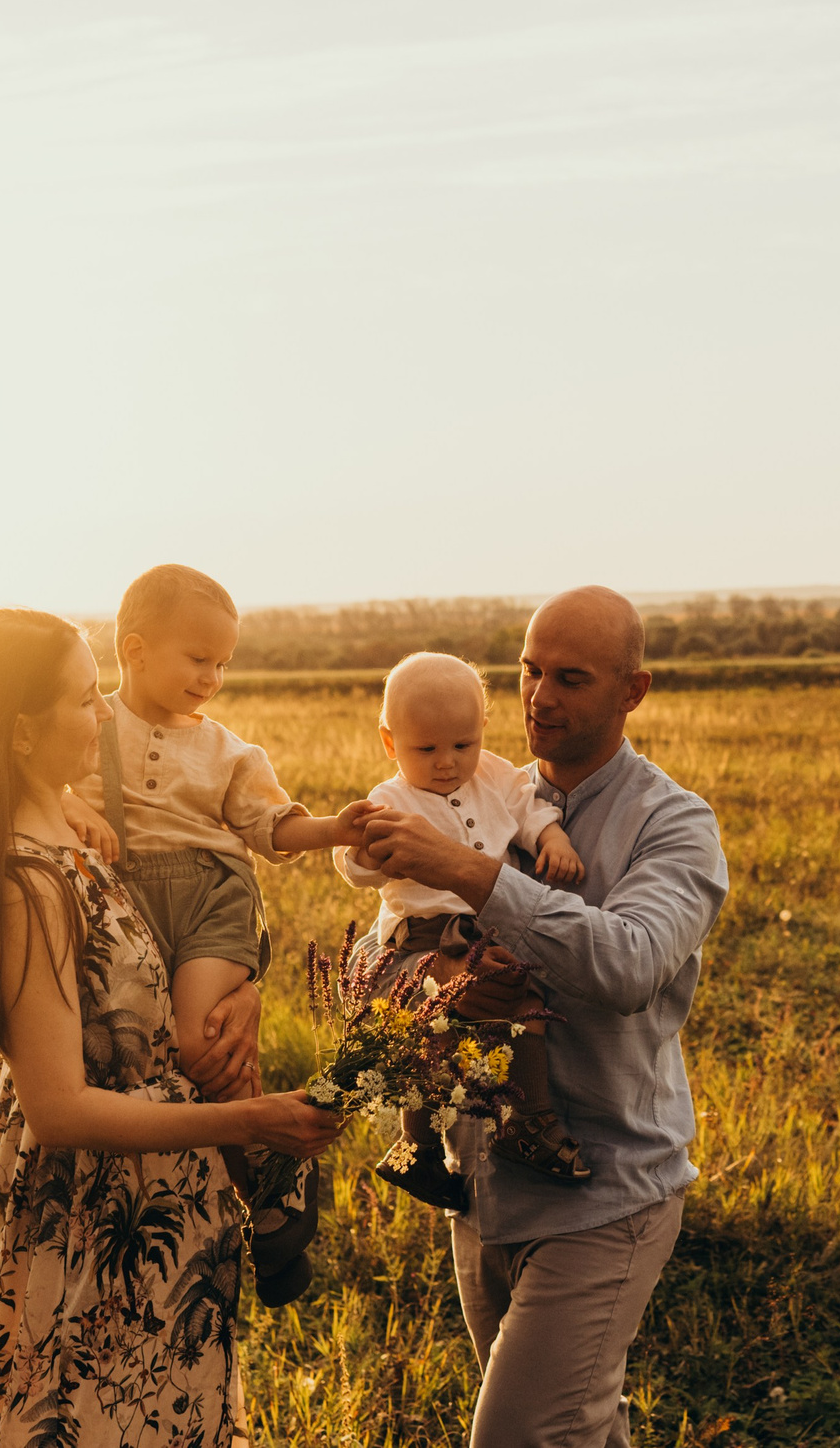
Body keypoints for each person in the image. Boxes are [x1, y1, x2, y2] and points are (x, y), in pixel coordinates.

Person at [0, 608, 342, 1446]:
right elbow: (61, 1109)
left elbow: (156, 950)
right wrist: (253, 1119)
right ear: (23, 732)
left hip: (145, 1221)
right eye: (83, 699)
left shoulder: (71, 832)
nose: (105, 713)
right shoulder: (26, 882)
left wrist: (242, 983)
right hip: (87, 1230)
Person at [357, 587, 729, 1448]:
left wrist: (473, 873)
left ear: (633, 690)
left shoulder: (673, 823)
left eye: (568, 677)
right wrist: (435, 982)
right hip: (481, 1187)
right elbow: (372, 957)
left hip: (604, 1188)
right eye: (527, 671)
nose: (538, 697)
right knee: (580, 1430)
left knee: (519, 1435)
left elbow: (629, 962)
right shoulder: (463, 787)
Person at [64, 564, 374, 1299]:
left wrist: (339, 826)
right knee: (157, 1058)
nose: (213, 675)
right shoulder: (87, 724)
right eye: (198, 658)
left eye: (223, 661)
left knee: (205, 1042)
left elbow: (272, 826)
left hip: (209, 896)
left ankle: (271, 1183)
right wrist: (67, 807)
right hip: (130, 898)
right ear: (135, 651)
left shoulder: (227, 750)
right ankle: (265, 1202)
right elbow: (34, 782)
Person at [334, 651, 590, 1209]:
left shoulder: (497, 774)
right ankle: (425, 1146)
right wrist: (369, 853)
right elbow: (353, 868)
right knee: (431, 1033)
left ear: (482, 733)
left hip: (489, 920)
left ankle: (520, 1121)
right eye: (426, 749)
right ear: (389, 742)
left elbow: (531, 811)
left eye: (463, 744)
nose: (448, 762)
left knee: (523, 1002)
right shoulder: (391, 799)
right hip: (424, 932)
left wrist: (553, 841)